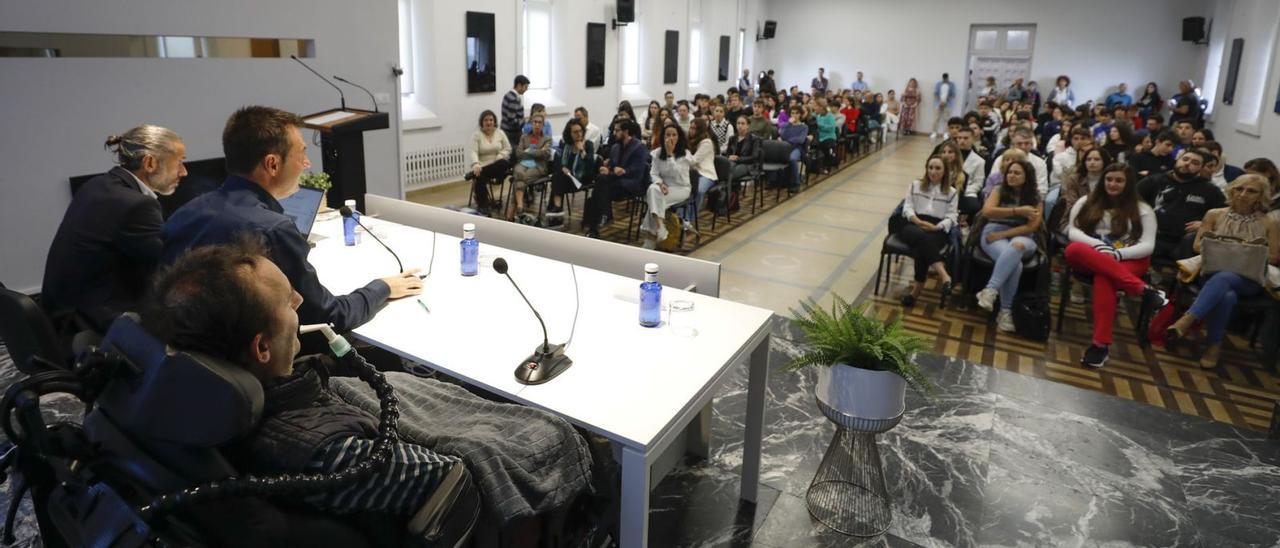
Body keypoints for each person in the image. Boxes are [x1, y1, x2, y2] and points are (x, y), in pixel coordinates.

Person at [143, 238, 593, 530]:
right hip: (447, 498)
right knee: (556, 432)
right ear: (261, 349)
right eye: (286, 300)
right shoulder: (329, 454)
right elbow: (449, 477)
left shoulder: (199, 405)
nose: (300, 300)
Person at [162, 106, 422, 333]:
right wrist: (382, 288)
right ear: (272, 164)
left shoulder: (186, 212)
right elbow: (329, 316)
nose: (307, 164)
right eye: (301, 154)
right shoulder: (272, 229)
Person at [42, 125, 187, 332]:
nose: (184, 171)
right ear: (150, 163)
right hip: (91, 326)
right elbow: (170, 264)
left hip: (62, 316)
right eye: (180, 162)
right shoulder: (135, 205)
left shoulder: (97, 185)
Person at [1167, 175, 1280, 367]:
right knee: (1226, 293)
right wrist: (1233, 249)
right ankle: (1213, 346)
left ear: (1261, 196)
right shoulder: (1214, 214)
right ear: (1231, 190)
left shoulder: (1269, 222)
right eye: (1239, 189)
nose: (1243, 194)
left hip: (1249, 278)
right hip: (1212, 272)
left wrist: (1243, 254)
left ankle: (1189, 318)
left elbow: (1274, 257)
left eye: (1251, 191)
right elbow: (1197, 246)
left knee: (1226, 278)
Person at [1064, 163, 1165, 367]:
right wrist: (1101, 248)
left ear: (1128, 184)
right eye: (1109, 179)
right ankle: (1143, 290)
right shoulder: (1087, 201)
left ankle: (1100, 345)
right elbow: (1072, 232)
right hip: (1093, 255)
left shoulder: (1143, 209)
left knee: (1104, 277)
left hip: (1130, 259)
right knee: (1073, 249)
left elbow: (1148, 245)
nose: (1113, 184)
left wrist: (1117, 254)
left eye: (1119, 180)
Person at [975, 159, 1043, 332]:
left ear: (1027, 177)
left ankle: (990, 290)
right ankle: (1005, 313)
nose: (1012, 176)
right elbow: (987, 211)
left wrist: (1003, 235)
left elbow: (1032, 226)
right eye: (1010, 172)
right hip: (993, 231)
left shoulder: (1035, 197)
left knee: (1017, 246)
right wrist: (1017, 211)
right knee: (1015, 263)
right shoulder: (999, 190)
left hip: (1022, 236)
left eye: (1017, 173)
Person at [1137, 147, 1225, 261]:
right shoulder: (1154, 181)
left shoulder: (1210, 189)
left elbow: (1225, 214)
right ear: (1178, 160)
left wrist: (1205, 224)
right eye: (1185, 159)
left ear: (1201, 168)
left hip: (1184, 241)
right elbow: (1131, 202)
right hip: (1152, 235)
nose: (1188, 164)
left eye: (1195, 163)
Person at [896, 155, 958, 307]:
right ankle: (944, 275)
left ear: (945, 171)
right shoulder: (915, 185)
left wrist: (937, 227)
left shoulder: (951, 192)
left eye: (938, 168)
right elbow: (908, 207)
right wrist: (917, 220)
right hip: (912, 223)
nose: (933, 171)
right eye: (930, 167)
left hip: (937, 227)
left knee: (922, 246)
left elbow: (952, 216)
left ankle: (915, 293)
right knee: (921, 237)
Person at [585, 120, 648, 238]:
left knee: (598, 191)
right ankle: (599, 223)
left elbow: (638, 169)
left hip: (631, 183)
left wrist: (624, 170)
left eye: (617, 130)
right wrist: (607, 168)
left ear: (626, 131)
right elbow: (613, 167)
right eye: (614, 130)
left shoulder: (639, 147)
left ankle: (598, 223)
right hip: (615, 182)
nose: (614, 133)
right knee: (598, 188)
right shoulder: (615, 147)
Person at [640, 125, 693, 249]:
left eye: (674, 135)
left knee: (655, 200)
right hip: (664, 187)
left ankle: (650, 240)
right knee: (653, 189)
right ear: (663, 137)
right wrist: (660, 183)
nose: (671, 138)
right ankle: (660, 227)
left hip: (681, 188)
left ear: (679, 137)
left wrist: (670, 155)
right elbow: (653, 173)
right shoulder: (658, 153)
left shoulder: (685, 154)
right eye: (667, 135)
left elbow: (678, 175)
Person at [463, 110, 513, 217]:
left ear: (494, 121)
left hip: (498, 166)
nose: (489, 122)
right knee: (479, 174)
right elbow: (473, 151)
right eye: (486, 120)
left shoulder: (500, 133)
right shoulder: (476, 135)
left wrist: (501, 154)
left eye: (491, 120)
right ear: (482, 122)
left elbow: (508, 148)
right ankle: (483, 205)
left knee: (504, 163)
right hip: (482, 166)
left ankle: (482, 201)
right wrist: (476, 164)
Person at [547, 119, 597, 220]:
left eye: (580, 131)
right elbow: (561, 163)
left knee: (557, 179)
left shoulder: (588, 145)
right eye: (575, 132)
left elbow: (591, 167)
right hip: (568, 178)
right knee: (558, 174)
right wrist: (563, 168)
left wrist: (582, 150)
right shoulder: (566, 145)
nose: (579, 134)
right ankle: (557, 209)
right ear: (569, 134)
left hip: (583, 178)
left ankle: (557, 208)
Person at [508, 113, 551, 222]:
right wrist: (537, 151)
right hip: (523, 164)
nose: (537, 124)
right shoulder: (524, 137)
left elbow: (545, 154)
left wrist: (529, 151)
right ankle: (520, 207)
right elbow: (518, 154)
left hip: (538, 166)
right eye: (535, 122)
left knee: (519, 177)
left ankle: (513, 211)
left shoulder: (547, 139)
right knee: (519, 174)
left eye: (539, 122)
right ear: (532, 123)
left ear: (543, 125)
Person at [1057, 148, 1112, 233]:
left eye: (1097, 159)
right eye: (1088, 159)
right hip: (1075, 220)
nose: (1092, 162)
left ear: (1105, 161)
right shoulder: (1074, 179)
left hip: (1105, 221)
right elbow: (1072, 205)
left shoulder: (1111, 180)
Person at [687, 117, 718, 226]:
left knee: (699, 190)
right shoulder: (689, 140)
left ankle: (690, 219)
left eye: (694, 128)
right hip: (692, 173)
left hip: (706, 174)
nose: (691, 130)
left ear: (700, 130)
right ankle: (681, 217)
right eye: (690, 127)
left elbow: (693, 161)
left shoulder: (707, 142)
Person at [779, 106, 809, 190]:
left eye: (797, 113)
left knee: (792, 159)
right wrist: (788, 124)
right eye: (792, 113)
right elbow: (783, 135)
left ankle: (796, 183)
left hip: (798, 148)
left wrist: (788, 140)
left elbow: (800, 140)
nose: (794, 115)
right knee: (776, 157)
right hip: (786, 147)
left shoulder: (804, 127)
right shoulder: (788, 125)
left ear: (800, 114)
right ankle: (781, 181)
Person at [501, 75, 530, 154]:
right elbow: (511, 120)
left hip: (505, 130)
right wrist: (524, 121)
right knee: (514, 155)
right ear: (519, 85)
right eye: (525, 87)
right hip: (511, 134)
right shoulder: (514, 99)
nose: (526, 89)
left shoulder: (507, 95)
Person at [726, 116, 760, 182]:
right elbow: (728, 153)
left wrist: (738, 159)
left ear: (748, 126)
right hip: (733, 162)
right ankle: (730, 191)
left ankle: (733, 191)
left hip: (747, 164)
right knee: (724, 172)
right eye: (738, 123)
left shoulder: (754, 139)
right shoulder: (732, 138)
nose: (740, 126)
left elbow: (754, 157)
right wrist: (729, 157)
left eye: (742, 123)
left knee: (732, 174)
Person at [815, 100, 839, 171]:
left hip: (829, 136)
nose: (815, 107)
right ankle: (816, 166)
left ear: (821, 107)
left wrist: (820, 126)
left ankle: (826, 165)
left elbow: (831, 128)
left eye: (816, 106)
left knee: (825, 146)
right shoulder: (818, 116)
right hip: (819, 137)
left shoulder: (830, 115)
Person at [930, 73, 956, 139]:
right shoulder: (938, 84)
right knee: (936, 119)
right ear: (942, 78)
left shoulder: (952, 85)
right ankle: (934, 132)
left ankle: (946, 133)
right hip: (938, 104)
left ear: (948, 78)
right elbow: (935, 94)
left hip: (948, 104)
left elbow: (953, 95)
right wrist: (940, 102)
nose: (945, 80)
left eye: (946, 78)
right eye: (944, 78)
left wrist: (945, 101)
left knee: (946, 119)